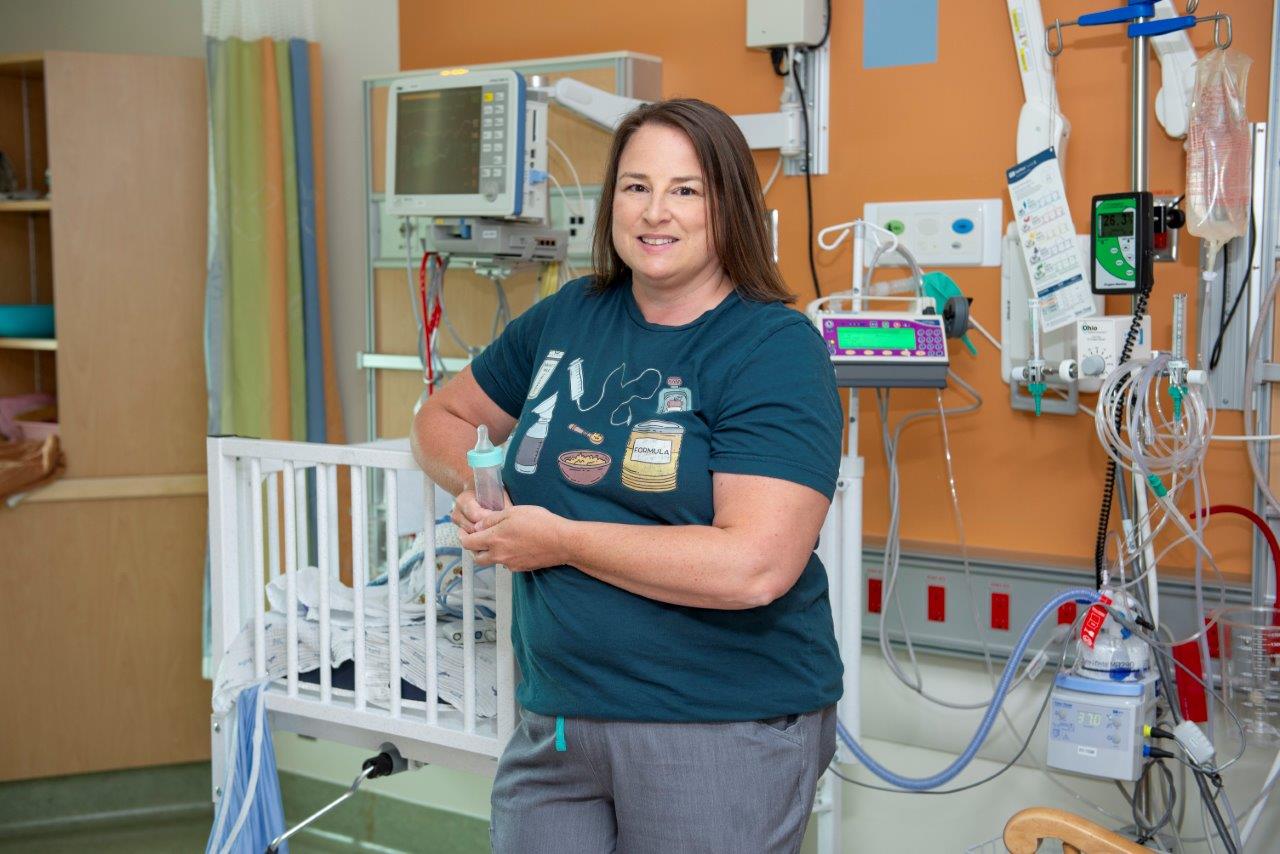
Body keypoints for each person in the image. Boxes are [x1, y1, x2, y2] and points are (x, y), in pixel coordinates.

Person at [412, 97, 843, 854]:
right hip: (558, 725)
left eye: (686, 190)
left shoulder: (772, 349)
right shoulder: (568, 318)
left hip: (717, 726)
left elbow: (755, 566)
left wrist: (564, 541)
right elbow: (441, 418)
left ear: (728, 207)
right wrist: (484, 491)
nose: (656, 211)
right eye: (636, 186)